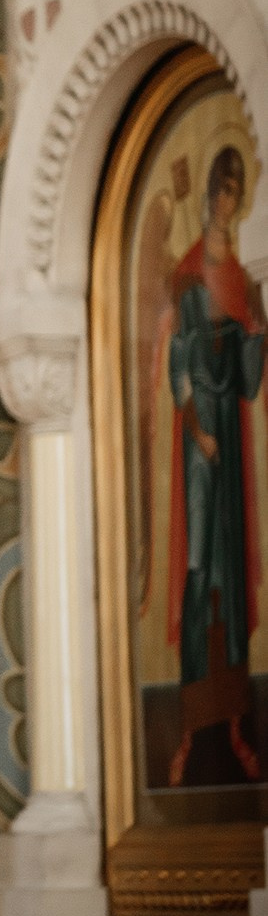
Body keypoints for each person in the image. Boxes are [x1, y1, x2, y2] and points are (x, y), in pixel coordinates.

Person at [167, 144, 264, 785]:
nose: (225, 200)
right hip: (201, 434)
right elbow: (178, 363)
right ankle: (189, 728)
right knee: (200, 569)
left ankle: (234, 726)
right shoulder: (187, 273)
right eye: (220, 189)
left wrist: (256, 333)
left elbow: (251, 383)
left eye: (235, 191)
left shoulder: (244, 278)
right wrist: (198, 429)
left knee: (232, 568)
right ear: (207, 193)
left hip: (232, 430)